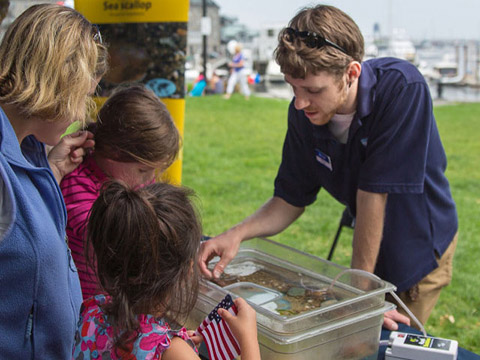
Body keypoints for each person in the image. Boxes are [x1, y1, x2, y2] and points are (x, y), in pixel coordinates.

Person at [199, 5, 458, 331]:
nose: (299, 103)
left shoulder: (402, 90)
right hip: (369, 248)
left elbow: (373, 196)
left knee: (384, 342)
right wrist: (234, 235)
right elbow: (290, 198)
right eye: (293, 87)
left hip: (416, 247)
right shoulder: (303, 112)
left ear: (351, 73)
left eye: (312, 90)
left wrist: (359, 300)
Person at [0, 4, 107, 358]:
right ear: (56, 82)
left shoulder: (28, 148)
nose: (80, 114)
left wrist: (51, 172)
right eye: (81, 97)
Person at [72, 181, 261, 360]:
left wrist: (172, 341)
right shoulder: (169, 352)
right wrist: (248, 339)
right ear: (187, 269)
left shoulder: (91, 311)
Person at [61, 84, 180, 299]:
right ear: (114, 152)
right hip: (88, 310)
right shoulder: (77, 185)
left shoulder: (131, 182)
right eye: (143, 170)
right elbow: (111, 238)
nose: (150, 179)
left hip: (119, 301)